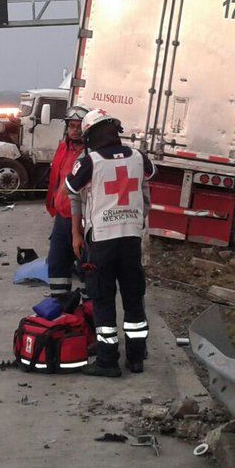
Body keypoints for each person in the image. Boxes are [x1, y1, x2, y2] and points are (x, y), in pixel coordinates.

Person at [67, 108, 155, 377]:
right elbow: (148, 179)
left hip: (103, 240)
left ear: (90, 135)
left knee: (103, 299)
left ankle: (107, 361)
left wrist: (77, 232)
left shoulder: (90, 162)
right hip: (131, 238)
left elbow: (72, 188)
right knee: (133, 298)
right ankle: (136, 358)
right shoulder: (139, 157)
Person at [45, 105, 89, 300]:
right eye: (71, 125)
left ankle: (91, 311)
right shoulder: (63, 147)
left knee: (87, 267)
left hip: (83, 220)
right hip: (62, 217)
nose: (75, 130)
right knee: (56, 264)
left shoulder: (91, 154)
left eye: (79, 126)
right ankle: (61, 308)